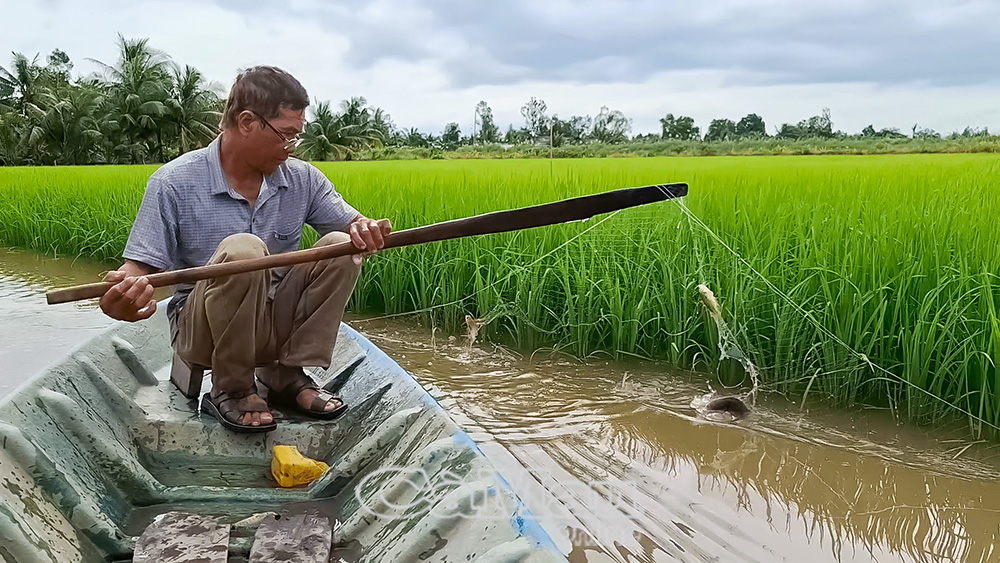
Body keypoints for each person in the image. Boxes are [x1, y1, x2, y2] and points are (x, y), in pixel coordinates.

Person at [99, 66, 391, 433]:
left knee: (341, 247)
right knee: (244, 250)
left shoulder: (302, 178)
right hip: (203, 331)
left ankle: (286, 374)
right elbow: (138, 269)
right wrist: (124, 293)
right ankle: (232, 387)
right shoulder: (174, 182)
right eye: (285, 135)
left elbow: (352, 224)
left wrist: (363, 229)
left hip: (275, 323)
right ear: (248, 122)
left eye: (296, 137)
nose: (291, 147)